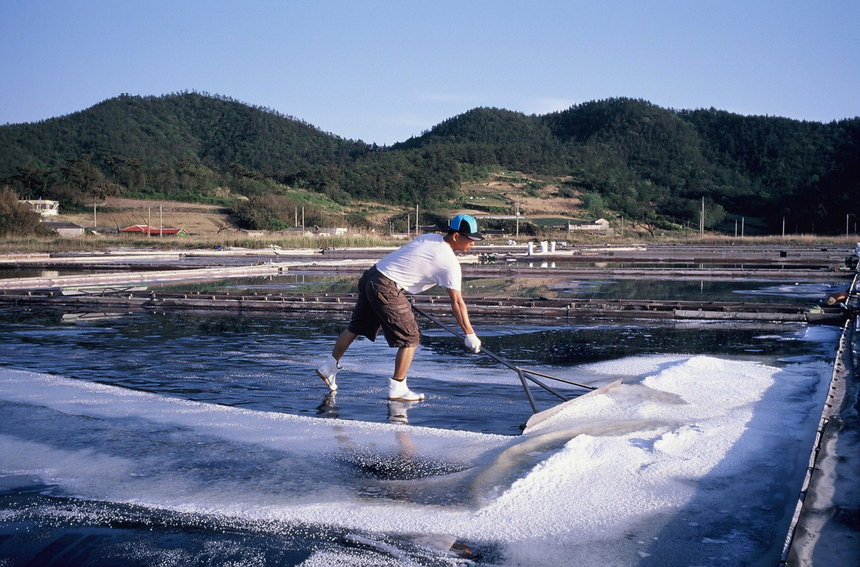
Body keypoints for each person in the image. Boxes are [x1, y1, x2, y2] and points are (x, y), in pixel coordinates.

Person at [316, 214, 483, 402]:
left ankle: (329, 367)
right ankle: (398, 387)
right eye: (470, 239)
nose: (473, 243)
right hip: (386, 286)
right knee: (411, 337)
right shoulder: (450, 263)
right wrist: (469, 333)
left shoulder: (429, 238)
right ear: (456, 236)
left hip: (372, 276)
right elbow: (457, 303)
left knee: (355, 327)